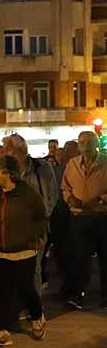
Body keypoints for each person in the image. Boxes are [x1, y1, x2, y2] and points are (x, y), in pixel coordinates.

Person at [0, 156, 48, 347]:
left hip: (23, 252)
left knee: (26, 289)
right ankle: (3, 328)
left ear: (7, 173)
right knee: (2, 292)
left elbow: (40, 217)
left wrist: (34, 237)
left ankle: (36, 316)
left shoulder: (27, 194)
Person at [2, 133, 57, 296]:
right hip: (12, 226)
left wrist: (42, 217)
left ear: (19, 151)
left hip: (35, 225)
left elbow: (51, 196)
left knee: (34, 267)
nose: (5, 153)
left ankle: (35, 308)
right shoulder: (6, 170)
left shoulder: (42, 168)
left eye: (8, 150)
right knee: (14, 268)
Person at [60, 130, 107, 310]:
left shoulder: (105, 161)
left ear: (96, 143)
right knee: (79, 259)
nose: (85, 145)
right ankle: (77, 296)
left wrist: (101, 199)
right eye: (82, 142)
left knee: (105, 259)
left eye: (89, 142)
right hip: (79, 218)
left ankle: (105, 296)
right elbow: (65, 186)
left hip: (102, 217)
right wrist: (69, 198)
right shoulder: (72, 164)